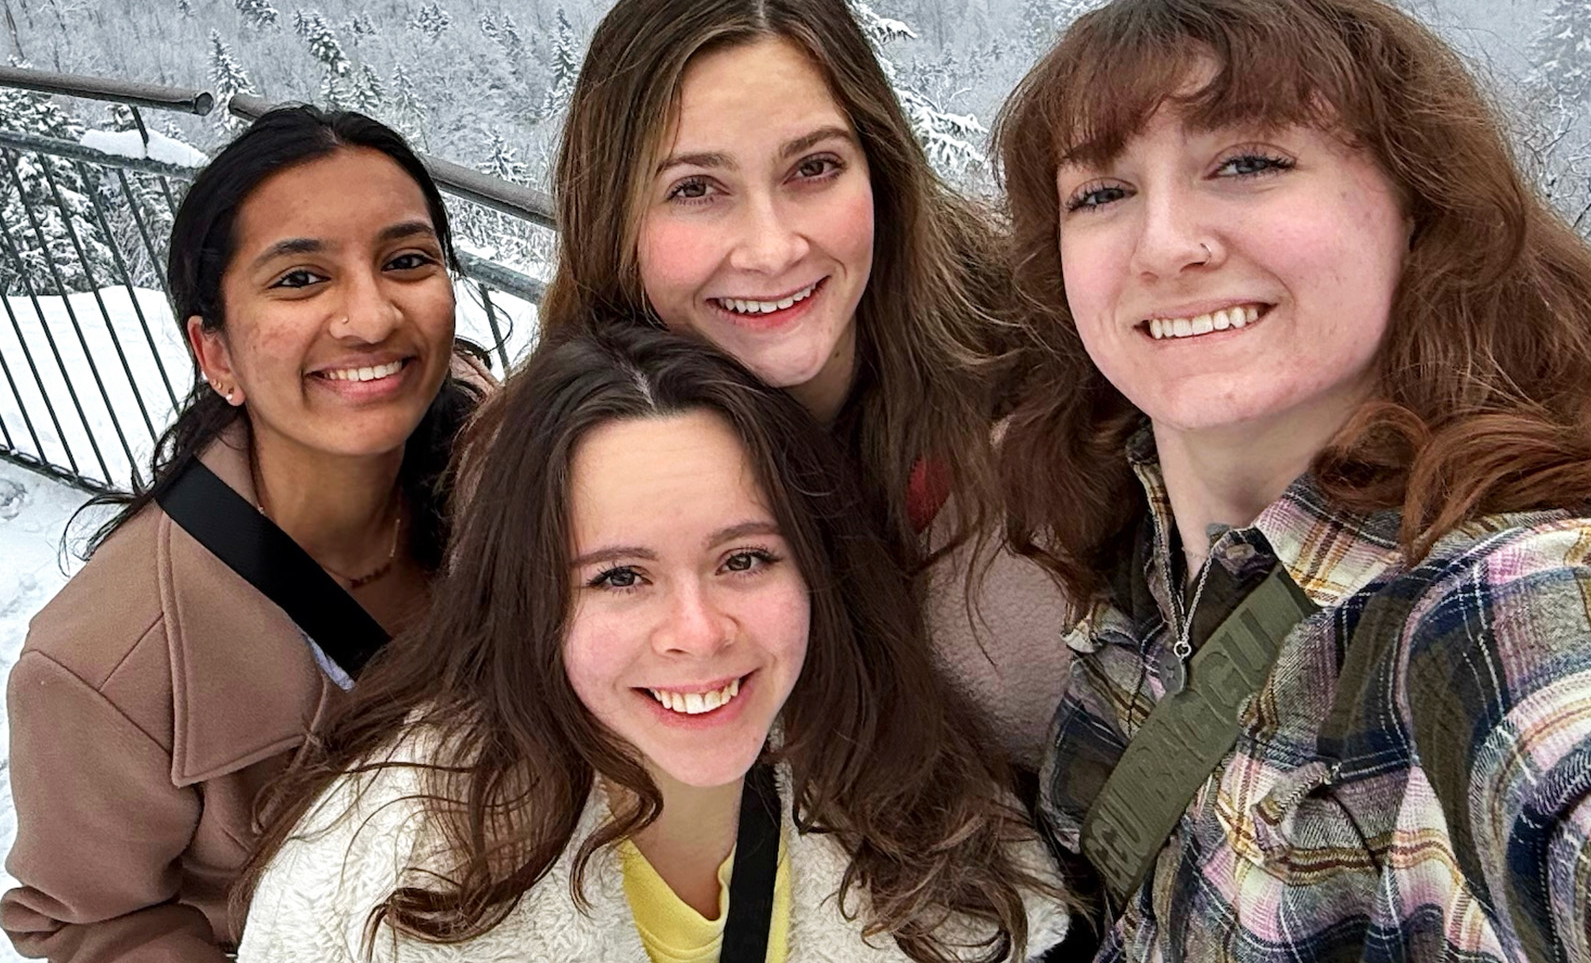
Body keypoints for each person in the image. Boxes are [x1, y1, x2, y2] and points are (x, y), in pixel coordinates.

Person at [991, 0, 1591, 961]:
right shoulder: (1129, 550)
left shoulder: (1495, 601)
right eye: (1102, 191)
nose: (1164, 243)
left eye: (1250, 163)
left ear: (1418, 210)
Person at [234, 323, 1067, 963]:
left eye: (743, 559)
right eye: (620, 578)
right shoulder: (371, 885)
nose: (699, 633)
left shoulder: (922, 803)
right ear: (526, 600)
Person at [541, 0, 1071, 770]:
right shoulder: (543, 476)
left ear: (881, 174)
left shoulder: (1053, 415)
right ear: (612, 217)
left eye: (814, 168)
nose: (771, 246)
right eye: (695, 189)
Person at [0, 106, 486, 962]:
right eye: (300, 279)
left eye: (406, 261)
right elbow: (91, 922)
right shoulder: (102, 666)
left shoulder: (528, 482)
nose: (370, 318)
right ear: (214, 353)